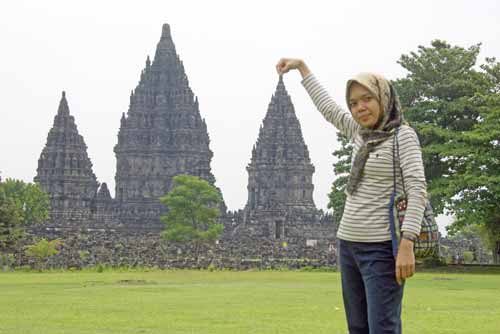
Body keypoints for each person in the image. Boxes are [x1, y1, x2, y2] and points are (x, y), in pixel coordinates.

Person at [276, 59, 427, 334]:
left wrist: (407, 243)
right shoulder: (359, 133)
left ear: (383, 97)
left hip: (382, 248)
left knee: (382, 327)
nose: (360, 107)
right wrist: (303, 68)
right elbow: (328, 109)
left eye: (367, 99)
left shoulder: (402, 136)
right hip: (348, 244)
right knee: (357, 327)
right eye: (354, 103)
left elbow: (418, 189)